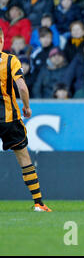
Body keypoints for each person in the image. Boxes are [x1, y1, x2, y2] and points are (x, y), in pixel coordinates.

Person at [0, 27, 51, 212]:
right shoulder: (10, 60)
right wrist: (27, 107)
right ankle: (38, 203)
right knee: (24, 158)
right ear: (2, 39)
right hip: (9, 118)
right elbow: (21, 86)